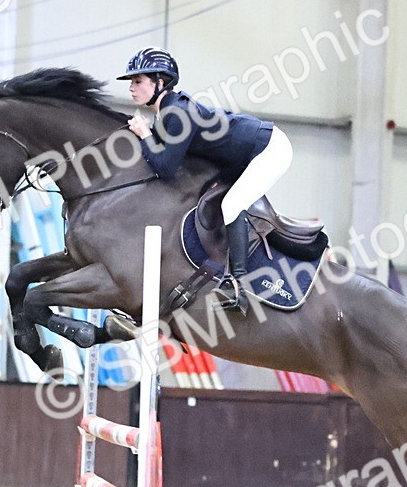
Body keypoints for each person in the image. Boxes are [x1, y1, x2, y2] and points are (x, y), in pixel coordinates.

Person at [119, 47, 293, 315]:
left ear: (161, 82)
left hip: (270, 148)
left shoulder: (176, 112)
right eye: (132, 82)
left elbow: (165, 167)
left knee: (232, 204)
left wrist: (144, 134)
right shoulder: (168, 112)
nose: (131, 88)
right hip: (244, 155)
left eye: (138, 81)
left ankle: (238, 286)